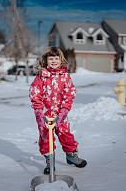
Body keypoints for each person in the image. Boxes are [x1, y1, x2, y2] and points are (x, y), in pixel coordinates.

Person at [29, 46, 87, 174]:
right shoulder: (41, 77)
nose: (54, 61)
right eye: (51, 58)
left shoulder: (65, 76)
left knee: (66, 135)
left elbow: (69, 94)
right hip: (45, 115)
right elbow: (35, 94)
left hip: (60, 114)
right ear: (45, 60)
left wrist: (63, 113)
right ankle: (50, 160)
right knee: (45, 138)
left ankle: (71, 156)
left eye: (56, 58)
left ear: (61, 60)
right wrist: (39, 113)